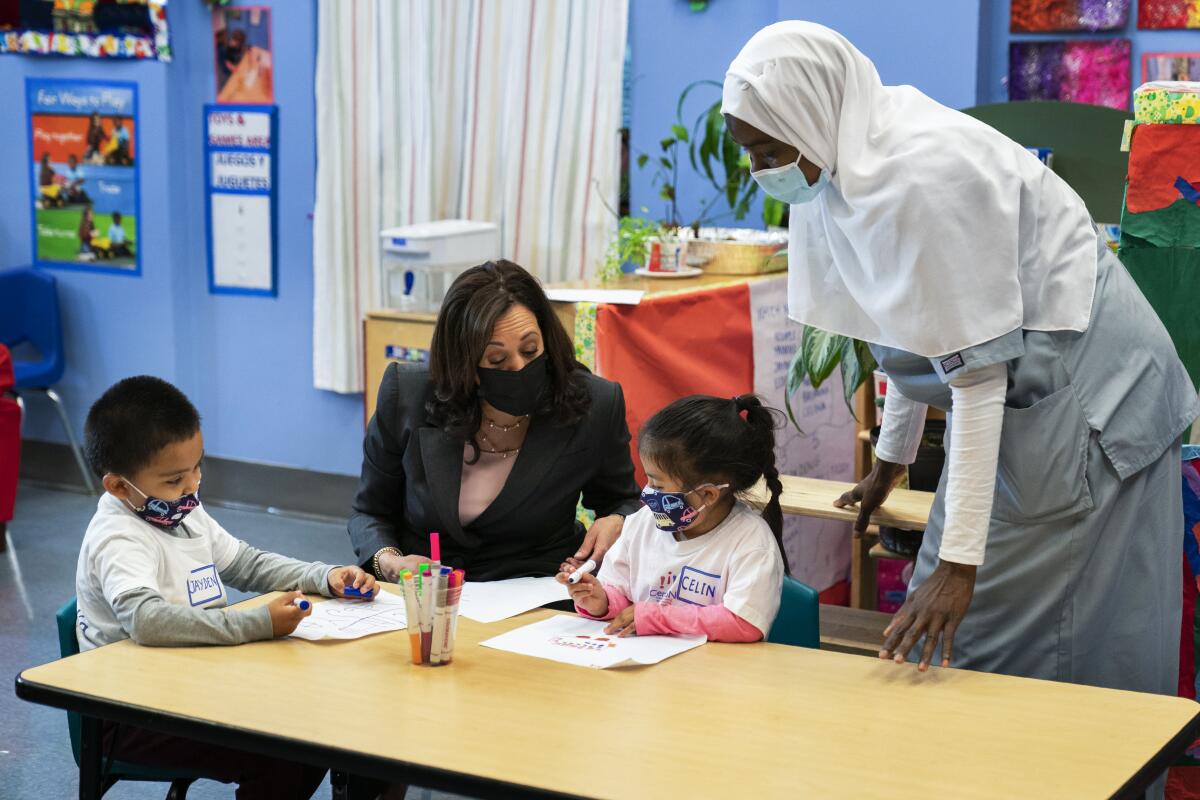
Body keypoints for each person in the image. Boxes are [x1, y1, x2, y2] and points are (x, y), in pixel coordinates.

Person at [722, 22, 1198, 700]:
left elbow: (974, 374)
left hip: (1085, 396)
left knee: (1030, 636)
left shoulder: (924, 173)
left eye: (768, 150)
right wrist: (892, 458)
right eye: (750, 153)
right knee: (959, 630)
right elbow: (909, 318)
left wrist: (959, 565)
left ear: (811, 112)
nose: (759, 170)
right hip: (1019, 391)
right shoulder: (851, 162)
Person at [78, 375, 377, 798]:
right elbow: (145, 621)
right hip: (129, 712)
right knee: (286, 752)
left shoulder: (179, 510)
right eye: (174, 479)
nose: (193, 485)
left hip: (192, 681)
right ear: (119, 486)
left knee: (317, 722)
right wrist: (258, 623)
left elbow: (245, 563)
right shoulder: (119, 537)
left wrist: (323, 577)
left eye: (197, 467)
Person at [349, 259, 642, 583]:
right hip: (428, 593)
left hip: (538, 588)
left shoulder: (594, 404)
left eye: (530, 350)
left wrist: (618, 519)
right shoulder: (407, 394)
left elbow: (623, 501)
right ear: (464, 362)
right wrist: (388, 562)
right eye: (497, 360)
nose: (518, 368)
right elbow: (370, 512)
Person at [561, 395, 786, 641]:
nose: (647, 494)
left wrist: (656, 617)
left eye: (658, 485)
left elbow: (743, 623)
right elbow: (622, 595)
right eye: (648, 480)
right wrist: (600, 601)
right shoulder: (642, 524)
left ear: (708, 494)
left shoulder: (751, 542)